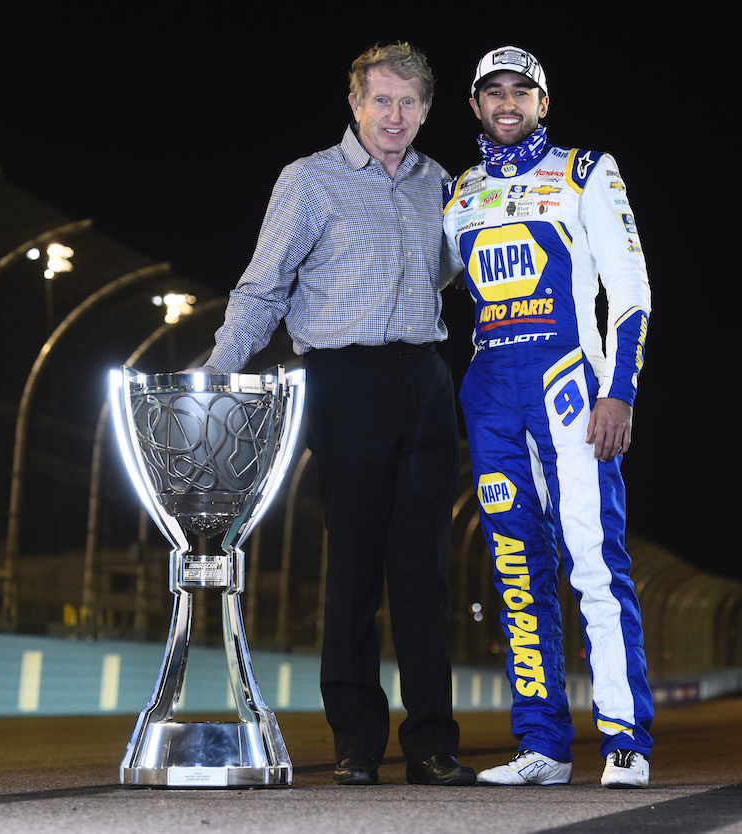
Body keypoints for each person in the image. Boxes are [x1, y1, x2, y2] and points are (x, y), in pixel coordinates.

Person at [194, 42, 474, 787]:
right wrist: (221, 368)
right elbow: (263, 288)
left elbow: (458, 272)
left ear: (426, 110)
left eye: (409, 103)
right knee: (353, 566)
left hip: (425, 377)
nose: (395, 116)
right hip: (344, 379)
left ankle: (433, 744)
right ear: (354, 104)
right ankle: (355, 741)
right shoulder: (309, 182)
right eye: (381, 100)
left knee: (424, 573)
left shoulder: (439, 184)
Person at [442, 46, 654, 788]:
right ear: (474, 105)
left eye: (520, 92)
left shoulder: (586, 171)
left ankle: (625, 739)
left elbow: (630, 291)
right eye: (492, 92)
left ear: (542, 101)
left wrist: (618, 389)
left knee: (593, 563)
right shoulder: (459, 193)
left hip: (571, 388)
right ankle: (543, 747)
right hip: (490, 395)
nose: (506, 103)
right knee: (515, 571)